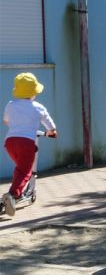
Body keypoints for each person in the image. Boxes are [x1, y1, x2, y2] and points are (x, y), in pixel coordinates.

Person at [3, 73, 56, 216]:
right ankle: (12, 195)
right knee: (26, 171)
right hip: (26, 143)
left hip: (10, 142)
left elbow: (6, 121)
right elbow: (51, 126)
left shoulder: (10, 105)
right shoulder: (38, 107)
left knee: (20, 169)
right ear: (34, 92)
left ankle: (17, 193)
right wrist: (51, 132)